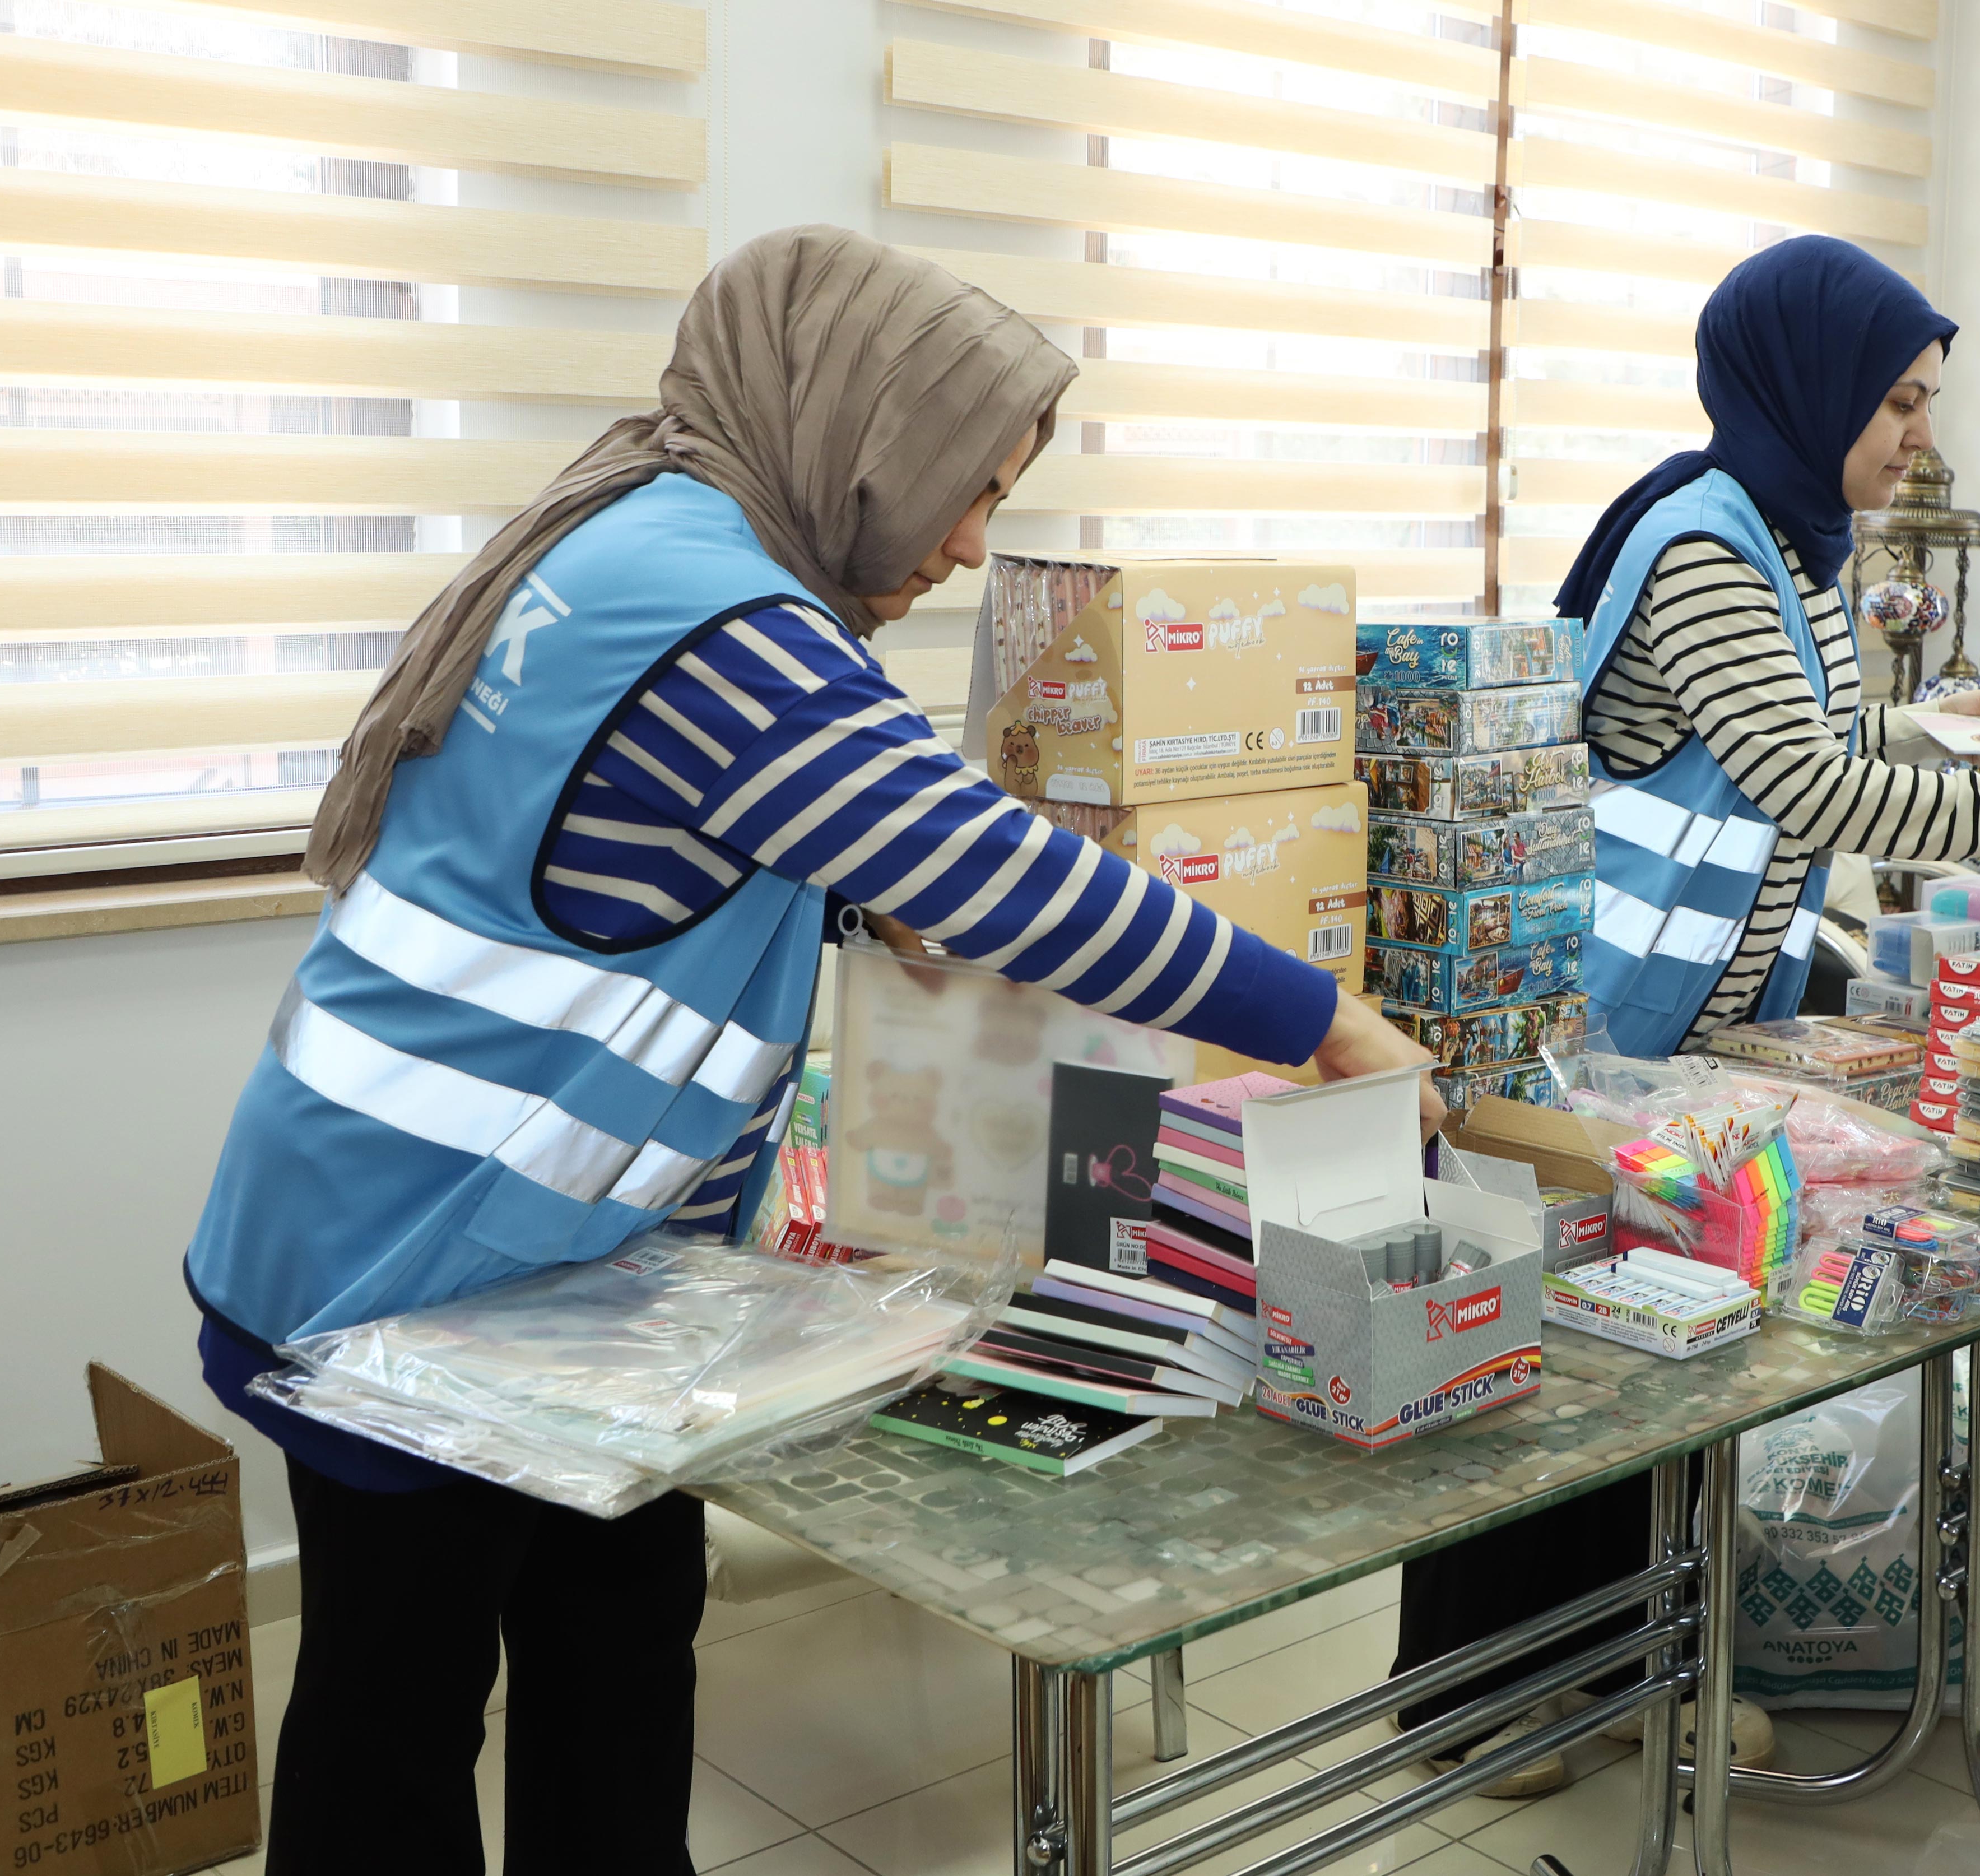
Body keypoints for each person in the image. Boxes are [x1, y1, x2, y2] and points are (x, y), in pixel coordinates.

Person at [180, 227, 1432, 1876]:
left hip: (549, 1281)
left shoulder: (654, 533)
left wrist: (844, 896)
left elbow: (634, 851)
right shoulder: (726, 623)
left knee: (618, 1655)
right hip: (403, 1276)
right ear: (864, 438)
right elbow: (1014, 882)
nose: (975, 547)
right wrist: (1326, 1016)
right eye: (967, 491)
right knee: (396, 1729)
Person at [1391, 235, 1980, 1795]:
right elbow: (1802, 780)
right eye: (1898, 400)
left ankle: (1612, 1670)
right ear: (1813, 384)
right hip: (1587, 1026)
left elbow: (1817, 725)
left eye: (1923, 402)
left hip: (1693, 1035)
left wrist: (1939, 722)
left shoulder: (1796, 540)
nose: (1919, 433)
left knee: (1654, 1358)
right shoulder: (1707, 542)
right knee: (1535, 1370)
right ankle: (1457, 1695)